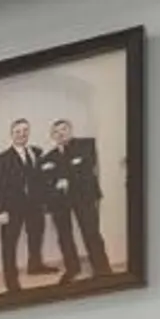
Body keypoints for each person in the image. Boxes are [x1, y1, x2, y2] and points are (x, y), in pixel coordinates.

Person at [0, 117, 54, 291]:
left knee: (36, 237)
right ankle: (10, 278)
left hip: (35, 206)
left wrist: (45, 202)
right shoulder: (1, 159)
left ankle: (35, 266)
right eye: (18, 131)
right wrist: (0, 210)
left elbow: (42, 179)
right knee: (9, 243)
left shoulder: (37, 152)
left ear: (28, 132)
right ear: (12, 134)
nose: (22, 134)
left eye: (25, 131)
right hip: (12, 208)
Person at [48, 116, 112, 282]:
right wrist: (57, 181)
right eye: (56, 132)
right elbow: (45, 178)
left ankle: (102, 270)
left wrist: (64, 178)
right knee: (64, 236)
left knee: (91, 233)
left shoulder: (87, 144)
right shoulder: (49, 156)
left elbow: (86, 167)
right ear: (52, 136)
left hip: (84, 196)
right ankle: (72, 268)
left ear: (70, 130)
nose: (60, 134)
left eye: (63, 129)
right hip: (60, 202)